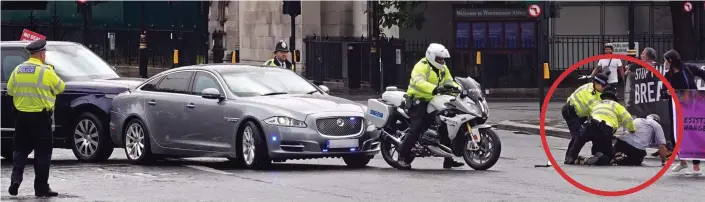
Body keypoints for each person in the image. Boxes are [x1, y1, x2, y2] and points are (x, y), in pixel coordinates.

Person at [6, 40, 64, 197]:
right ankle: (41, 188)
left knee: (20, 150)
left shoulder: (18, 70)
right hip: (40, 117)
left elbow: (10, 91)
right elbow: (61, 87)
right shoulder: (45, 71)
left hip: (22, 117)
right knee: (43, 153)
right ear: (42, 54)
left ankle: (15, 180)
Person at [396, 43, 465, 170]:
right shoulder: (421, 66)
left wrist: (459, 88)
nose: (442, 61)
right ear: (432, 57)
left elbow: (449, 81)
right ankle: (401, 157)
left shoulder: (443, 68)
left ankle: (448, 160)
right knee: (416, 128)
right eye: (439, 58)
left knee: (445, 124)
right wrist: (435, 89)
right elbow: (418, 82)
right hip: (418, 100)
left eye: (443, 58)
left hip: (433, 100)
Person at [660, 49, 705, 175]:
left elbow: (702, 74)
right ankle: (683, 161)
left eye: (665, 60)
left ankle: (696, 167)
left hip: (691, 106)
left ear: (670, 60)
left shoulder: (688, 68)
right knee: (676, 134)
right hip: (675, 107)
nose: (665, 62)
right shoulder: (668, 75)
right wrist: (666, 93)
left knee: (692, 132)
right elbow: (662, 93)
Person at [565, 88, 635, 166]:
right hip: (605, 129)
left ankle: (570, 158)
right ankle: (599, 156)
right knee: (607, 155)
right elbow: (628, 119)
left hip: (590, 125)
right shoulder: (616, 105)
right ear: (614, 99)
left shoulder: (597, 104)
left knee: (579, 141)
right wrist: (631, 129)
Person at [562, 73, 610, 164]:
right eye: (603, 85)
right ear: (596, 83)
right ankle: (569, 158)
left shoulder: (596, 90)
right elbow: (596, 110)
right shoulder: (589, 93)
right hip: (571, 111)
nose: (604, 87)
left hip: (581, 114)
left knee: (585, 132)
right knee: (578, 134)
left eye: (606, 85)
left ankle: (574, 155)